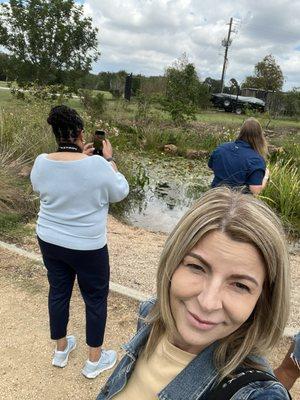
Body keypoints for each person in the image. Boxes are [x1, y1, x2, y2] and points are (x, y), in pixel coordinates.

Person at [97, 187, 291, 399]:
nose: (208, 302)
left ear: (263, 300)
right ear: (172, 263)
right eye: (197, 267)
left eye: (240, 285)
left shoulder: (257, 394)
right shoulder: (151, 316)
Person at [30, 105, 129, 379]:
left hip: (49, 239)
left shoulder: (41, 162)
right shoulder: (98, 164)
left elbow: (44, 187)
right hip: (88, 246)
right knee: (95, 299)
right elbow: (120, 191)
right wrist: (109, 161)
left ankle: (61, 350)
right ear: (80, 134)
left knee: (58, 291)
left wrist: (84, 162)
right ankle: (93, 361)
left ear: (56, 134)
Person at [208, 118, 269, 195]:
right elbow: (255, 191)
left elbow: (211, 166)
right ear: (259, 136)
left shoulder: (221, 148)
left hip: (213, 196)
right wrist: (266, 176)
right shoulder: (257, 160)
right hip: (236, 202)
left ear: (241, 131)